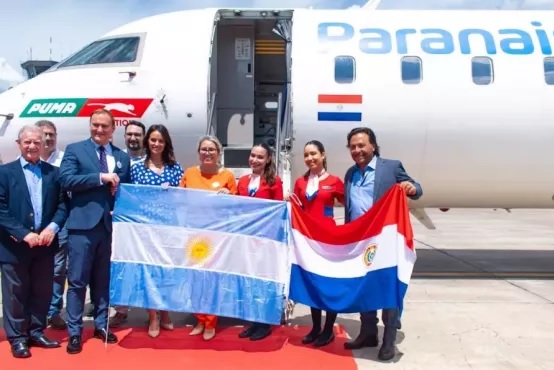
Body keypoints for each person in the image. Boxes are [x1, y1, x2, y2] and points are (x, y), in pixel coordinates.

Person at [342, 127, 422, 361]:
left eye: (361, 145)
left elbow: (416, 188)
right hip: (361, 241)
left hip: (386, 241)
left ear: (373, 146)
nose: (357, 150)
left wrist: (412, 188)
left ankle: (388, 340)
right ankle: (368, 332)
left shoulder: (391, 167)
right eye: (353, 147)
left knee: (388, 288)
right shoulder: (350, 173)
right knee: (364, 286)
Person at [59, 108, 131, 354]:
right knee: (77, 282)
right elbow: (66, 180)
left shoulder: (122, 156)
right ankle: (75, 332)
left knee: (103, 281)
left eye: (104, 126)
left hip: (109, 227)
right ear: (90, 126)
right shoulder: (75, 150)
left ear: (113, 129)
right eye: (95, 125)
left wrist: (118, 193)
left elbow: (126, 189)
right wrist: (100, 178)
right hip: (82, 227)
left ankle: (102, 324)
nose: (99, 130)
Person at [0, 125, 68, 358]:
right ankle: (18, 338)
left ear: (43, 145)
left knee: (42, 291)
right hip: (14, 245)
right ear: (19, 144)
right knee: (15, 294)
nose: (32, 146)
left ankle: (37, 331)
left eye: (36, 142)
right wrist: (22, 233)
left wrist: (52, 228)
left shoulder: (53, 173)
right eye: (27, 142)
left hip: (45, 245)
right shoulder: (4, 173)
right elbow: (1, 209)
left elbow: (62, 205)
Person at [179, 135, 237, 341]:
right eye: (203, 149)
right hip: (193, 235)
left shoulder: (228, 176)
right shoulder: (190, 173)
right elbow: (179, 199)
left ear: (219, 152)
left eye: (211, 149)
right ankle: (200, 318)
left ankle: (211, 321)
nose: (207, 153)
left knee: (211, 279)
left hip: (216, 237)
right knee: (195, 278)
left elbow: (237, 207)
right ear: (198, 152)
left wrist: (228, 196)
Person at [289, 140, 344, 347]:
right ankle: (315, 327)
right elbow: (299, 209)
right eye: (306, 155)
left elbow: (350, 204)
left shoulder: (335, 181)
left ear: (323, 155)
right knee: (313, 283)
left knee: (328, 283)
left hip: (329, 238)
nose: (310, 158)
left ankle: (328, 329)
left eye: (314, 154)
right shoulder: (301, 182)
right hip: (308, 240)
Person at [130, 124, 183, 337]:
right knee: (149, 272)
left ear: (166, 143)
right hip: (146, 229)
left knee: (167, 271)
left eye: (160, 140)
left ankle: (166, 310)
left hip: (169, 227)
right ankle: (153, 316)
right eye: (153, 140)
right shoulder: (137, 168)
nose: (156, 144)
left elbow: (182, 198)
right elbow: (133, 198)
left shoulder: (175, 167)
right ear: (147, 142)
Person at [236, 143, 283, 341]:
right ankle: (253, 321)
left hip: (266, 240)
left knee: (264, 281)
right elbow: (237, 206)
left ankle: (264, 323)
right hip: (247, 239)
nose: (254, 160)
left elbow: (279, 210)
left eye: (259, 157)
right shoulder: (244, 180)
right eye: (252, 155)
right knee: (250, 282)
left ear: (268, 160)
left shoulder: (274, 181)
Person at [110, 119, 147, 328]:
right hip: (120, 222)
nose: (133, 138)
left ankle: (154, 309)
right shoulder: (117, 158)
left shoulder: (149, 161)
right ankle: (121, 309)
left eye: (137, 135)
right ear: (124, 137)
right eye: (129, 134)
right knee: (120, 263)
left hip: (143, 223)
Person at [33, 120, 69, 331]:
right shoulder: (29, 160)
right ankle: (35, 311)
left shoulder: (64, 159)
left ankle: (53, 311)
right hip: (34, 223)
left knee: (58, 268)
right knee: (34, 269)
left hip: (59, 222)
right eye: (44, 134)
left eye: (51, 134)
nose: (48, 138)